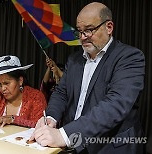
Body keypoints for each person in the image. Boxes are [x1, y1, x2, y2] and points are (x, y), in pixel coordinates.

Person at [30, 2, 145, 154]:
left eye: (89, 30)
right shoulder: (74, 59)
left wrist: (65, 135)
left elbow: (115, 105)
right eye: (79, 31)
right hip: (75, 146)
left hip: (109, 146)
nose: (83, 37)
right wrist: (51, 117)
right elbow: (61, 93)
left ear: (109, 27)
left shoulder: (129, 57)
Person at [0, 55, 47, 128]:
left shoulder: (35, 97)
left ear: (20, 81)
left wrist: (13, 119)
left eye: (6, 83)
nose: (3, 88)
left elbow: (41, 125)